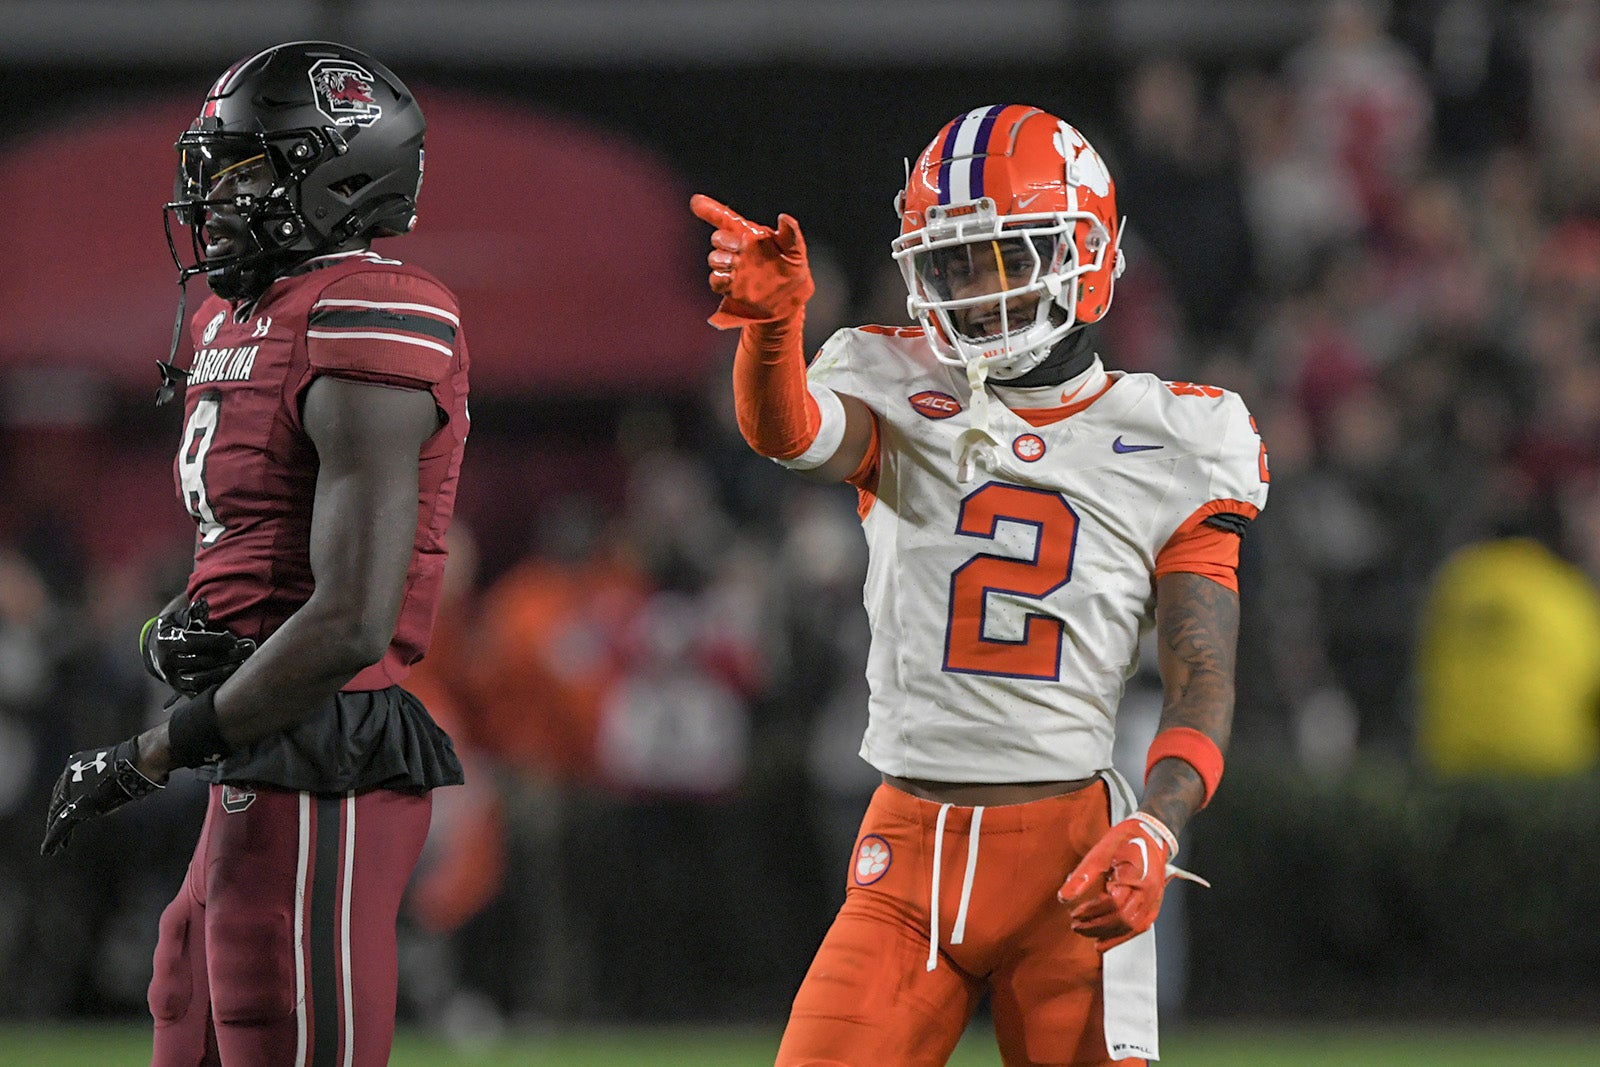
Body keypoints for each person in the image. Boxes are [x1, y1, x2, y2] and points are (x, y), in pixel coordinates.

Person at [692, 103, 1269, 1066]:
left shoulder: (1176, 439)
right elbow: (792, 432)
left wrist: (1158, 830)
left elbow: (1201, 675)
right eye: (957, 263)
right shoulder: (902, 385)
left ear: (1087, 252)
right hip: (905, 856)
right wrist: (770, 329)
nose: (980, 289)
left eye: (1009, 256)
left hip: (1069, 857)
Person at [40, 41, 469, 1067]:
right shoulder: (233, 313)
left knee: (275, 1015)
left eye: (243, 169)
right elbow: (243, 549)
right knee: (186, 989)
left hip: (326, 741)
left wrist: (151, 752)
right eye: (212, 169)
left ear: (340, 173)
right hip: (259, 735)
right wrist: (176, 633)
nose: (213, 196)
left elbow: (351, 616)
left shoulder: (371, 310)